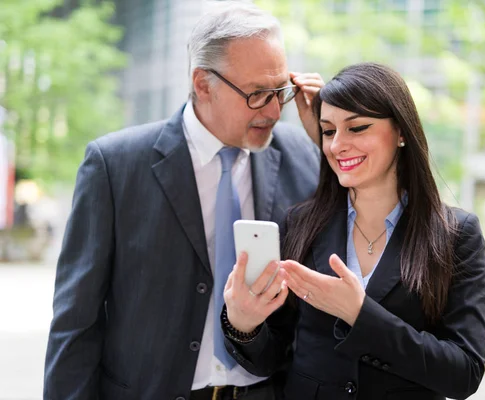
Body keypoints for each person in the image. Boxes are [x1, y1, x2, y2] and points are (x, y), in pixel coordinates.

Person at [43, 2, 323, 399]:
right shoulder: (115, 165)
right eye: (258, 94)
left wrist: (329, 141)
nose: (276, 110)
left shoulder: (305, 153)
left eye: (281, 90)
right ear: (203, 83)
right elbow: (75, 324)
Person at [222, 63, 485, 400]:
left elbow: (463, 373)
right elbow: (273, 358)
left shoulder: (456, 235)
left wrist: (361, 315)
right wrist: (243, 324)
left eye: (358, 127)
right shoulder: (301, 224)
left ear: (402, 132)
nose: (337, 146)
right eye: (329, 131)